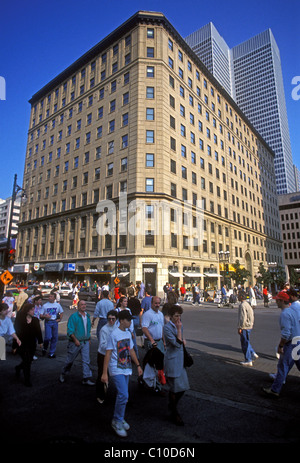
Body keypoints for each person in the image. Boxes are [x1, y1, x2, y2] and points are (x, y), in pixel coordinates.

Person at [101, 310, 143, 437]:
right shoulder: (114, 334)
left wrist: (138, 365)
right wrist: (104, 373)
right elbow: (107, 353)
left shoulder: (128, 334)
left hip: (126, 368)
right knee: (123, 394)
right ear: (122, 320)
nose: (131, 322)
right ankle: (117, 421)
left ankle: (119, 417)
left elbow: (131, 350)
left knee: (124, 395)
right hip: (116, 368)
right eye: (128, 320)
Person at [263, 289, 300, 398]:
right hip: (298, 341)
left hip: (291, 343)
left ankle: (275, 390)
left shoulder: (285, 314)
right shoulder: (292, 311)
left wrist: (280, 346)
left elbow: (286, 334)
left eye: (277, 300)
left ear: (281, 301)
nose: (276, 302)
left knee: (283, 366)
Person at [163, 304, 189, 426]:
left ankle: (172, 405)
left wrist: (181, 335)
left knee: (183, 387)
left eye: (180, 316)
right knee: (174, 388)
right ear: (171, 316)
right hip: (172, 360)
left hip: (180, 360)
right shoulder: (167, 328)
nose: (178, 319)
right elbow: (176, 344)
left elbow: (181, 341)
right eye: (176, 316)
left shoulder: (180, 325)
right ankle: (174, 412)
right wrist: (178, 330)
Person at [59, 300, 95, 385]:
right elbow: (70, 331)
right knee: (69, 360)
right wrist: (75, 340)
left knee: (86, 361)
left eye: (85, 304)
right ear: (78, 306)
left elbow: (88, 328)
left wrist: (88, 338)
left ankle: (86, 378)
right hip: (75, 343)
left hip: (85, 342)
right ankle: (63, 373)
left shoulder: (87, 316)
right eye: (82, 304)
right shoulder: (74, 316)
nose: (84, 306)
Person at [14, 303, 43, 386]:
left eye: (34, 309)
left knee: (28, 360)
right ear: (27, 311)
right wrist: (14, 346)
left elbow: (38, 332)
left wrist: (40, 341)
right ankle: (27, 380)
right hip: (21, 343)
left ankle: (18, 368)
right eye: (32, 309)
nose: (34, 311)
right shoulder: (20, 320)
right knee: (27, 361)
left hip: (31, 344)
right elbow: (16, 332)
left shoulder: (35, 320)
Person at [96, 310, 118, 403]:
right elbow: (102, 345)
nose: (111, 321)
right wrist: (113, 345)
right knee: (102, 374)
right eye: (109, 319)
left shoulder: (117, 328)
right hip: (103, 355)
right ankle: (100, 395)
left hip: (113, 355)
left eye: (113, 319)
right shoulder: (104, 329)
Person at [237, 291, 258, 366]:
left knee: (244, 343)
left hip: (245, 326)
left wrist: (240, 327)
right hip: (249, 325)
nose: (237, 297)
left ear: (241, 297)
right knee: (247, 341)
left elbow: (243, 317)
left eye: (238, 295)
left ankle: (248, 359)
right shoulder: (247, 304)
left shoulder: (242, 305)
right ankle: (252, 353)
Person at [40, 292, 64, 358]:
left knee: (54, 338)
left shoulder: (57, 305)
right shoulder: (45, 306)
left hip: (55, 322)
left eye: (51, 296)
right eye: (49, 296)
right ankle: (45, 348)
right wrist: (45, 316)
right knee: (47, 337)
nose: (49, 298)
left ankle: (51, 352)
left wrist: (60, 319)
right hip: (48, 322)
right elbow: (41, 315)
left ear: (54, 298)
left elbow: (61, 312)